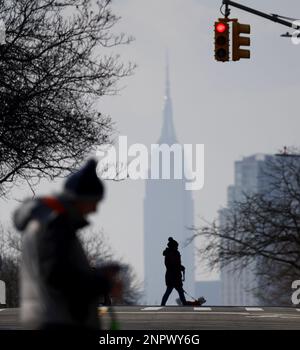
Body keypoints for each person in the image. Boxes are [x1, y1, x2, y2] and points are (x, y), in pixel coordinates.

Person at [14, 159, 122, 330]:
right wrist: (102, 283)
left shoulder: (44, 221)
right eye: (94, 202)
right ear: (80, 199)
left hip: (48, 318)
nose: (94, 210)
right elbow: (59, 277)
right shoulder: (55, 225)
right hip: (60, 322)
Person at [161, 237, 187, 306]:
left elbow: (175, 265)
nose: (177, 247)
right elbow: (174, 265)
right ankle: (184, 304)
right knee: (178, 291)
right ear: (173, 246)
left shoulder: (171, 253)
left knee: (172, 291)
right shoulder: (172, 254)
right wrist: (180, 267)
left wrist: (180, 267)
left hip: (172, 276)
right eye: (176, 246)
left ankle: (163, 304)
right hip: (174, 276)